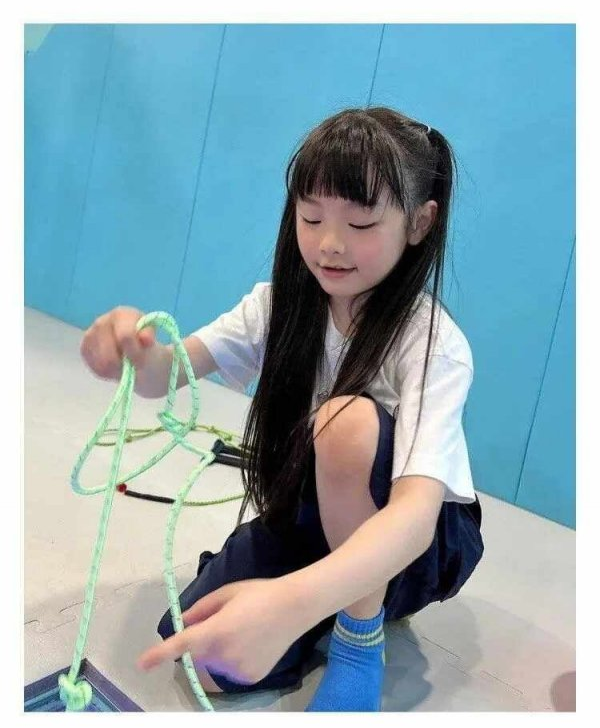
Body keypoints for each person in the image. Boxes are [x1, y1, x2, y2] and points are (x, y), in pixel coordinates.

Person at [80, 106, 484, 711]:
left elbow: (414, 518)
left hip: (417, 553)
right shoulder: (277, 307)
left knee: (344, 422)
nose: (329, 243)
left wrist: (290, 603)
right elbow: (170, 373)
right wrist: (133, 355)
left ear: (420, 223)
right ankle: (331, 597)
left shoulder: (431, 344)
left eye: (361, 222)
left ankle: (358, 637)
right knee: (207, 662)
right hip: (311, 521)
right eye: (311, 216)